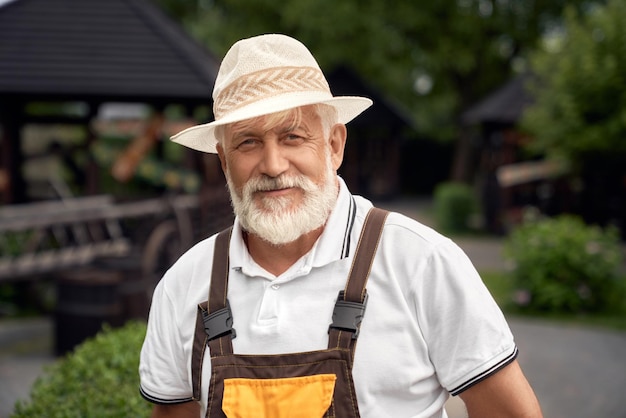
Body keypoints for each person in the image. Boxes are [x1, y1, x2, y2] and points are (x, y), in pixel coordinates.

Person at [139, 33, 543, 418]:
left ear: (334, 145)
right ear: (225, 162)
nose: (273, 165)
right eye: (248, 142)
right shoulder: (182, 286)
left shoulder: (421, 263)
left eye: (293, 136)